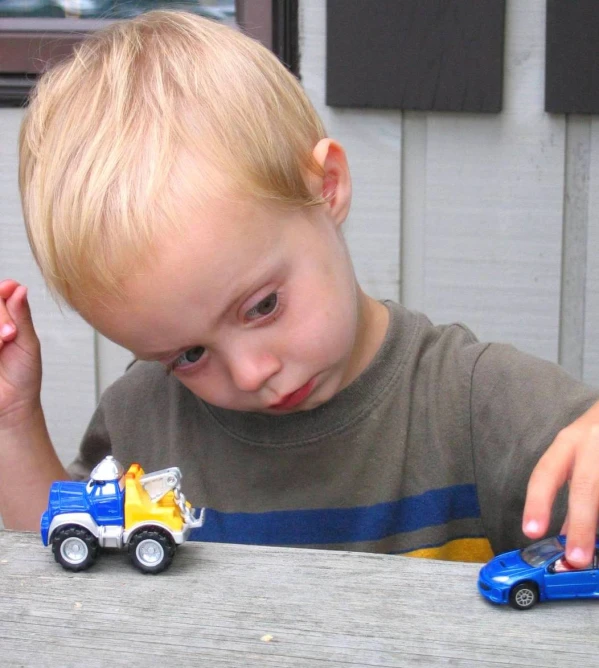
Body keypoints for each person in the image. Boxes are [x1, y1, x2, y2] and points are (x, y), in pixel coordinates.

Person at [1, 10, 598, 566]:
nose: (250, 373)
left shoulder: (471, 404)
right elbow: (65, 561)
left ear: (326, 188)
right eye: (188, 355)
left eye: (262, 306)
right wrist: (11, 422)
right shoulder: (143, 416)